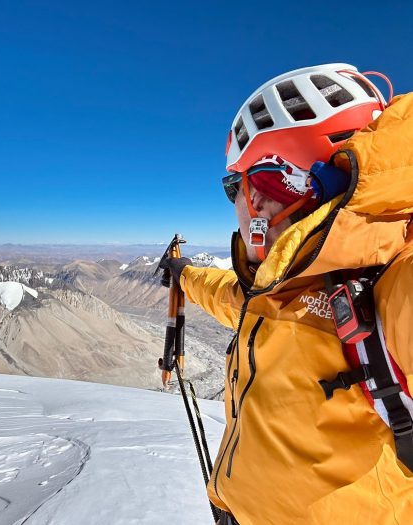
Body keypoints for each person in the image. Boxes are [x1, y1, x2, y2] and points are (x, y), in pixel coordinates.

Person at [162, 64, 413, 524]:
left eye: (233, 185)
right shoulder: (279, 288)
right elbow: (229, 295)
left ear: (263, 192)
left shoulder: (392, 287)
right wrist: (183, 275)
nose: (234, 201)